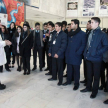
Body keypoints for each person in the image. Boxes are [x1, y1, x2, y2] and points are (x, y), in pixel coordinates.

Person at [80, 17, 108, 99]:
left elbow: (106, 46)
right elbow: (87, 44)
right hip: (88, 58)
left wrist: (96, 52)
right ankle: (88, 87)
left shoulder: (102, 34)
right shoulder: (90, 32)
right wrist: (85, 53)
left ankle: (94, 92)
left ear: (97, 23)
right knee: (89, 74)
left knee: (96, 76)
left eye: (92, 22)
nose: (90, 24)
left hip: (96, 59)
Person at [63, 19, 87, 91]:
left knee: (76, 71)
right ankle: (68, 81)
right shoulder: (70, 33)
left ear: (76, 25)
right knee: (69, 69)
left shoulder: (82, 34)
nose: (71, 25)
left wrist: (78, 53)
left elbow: (83, 45)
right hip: (69, 54)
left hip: (76, 55)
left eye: (72, 24)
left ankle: (76, 84)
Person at [80, 20, 92, 86]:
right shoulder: (87, 32)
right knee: (85, 67)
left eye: (88, 24)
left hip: (89, 54)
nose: (86, 25)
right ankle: (86, 79)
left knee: (89, 69)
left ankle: (88, 81)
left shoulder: (91, 33)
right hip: (85, 53)